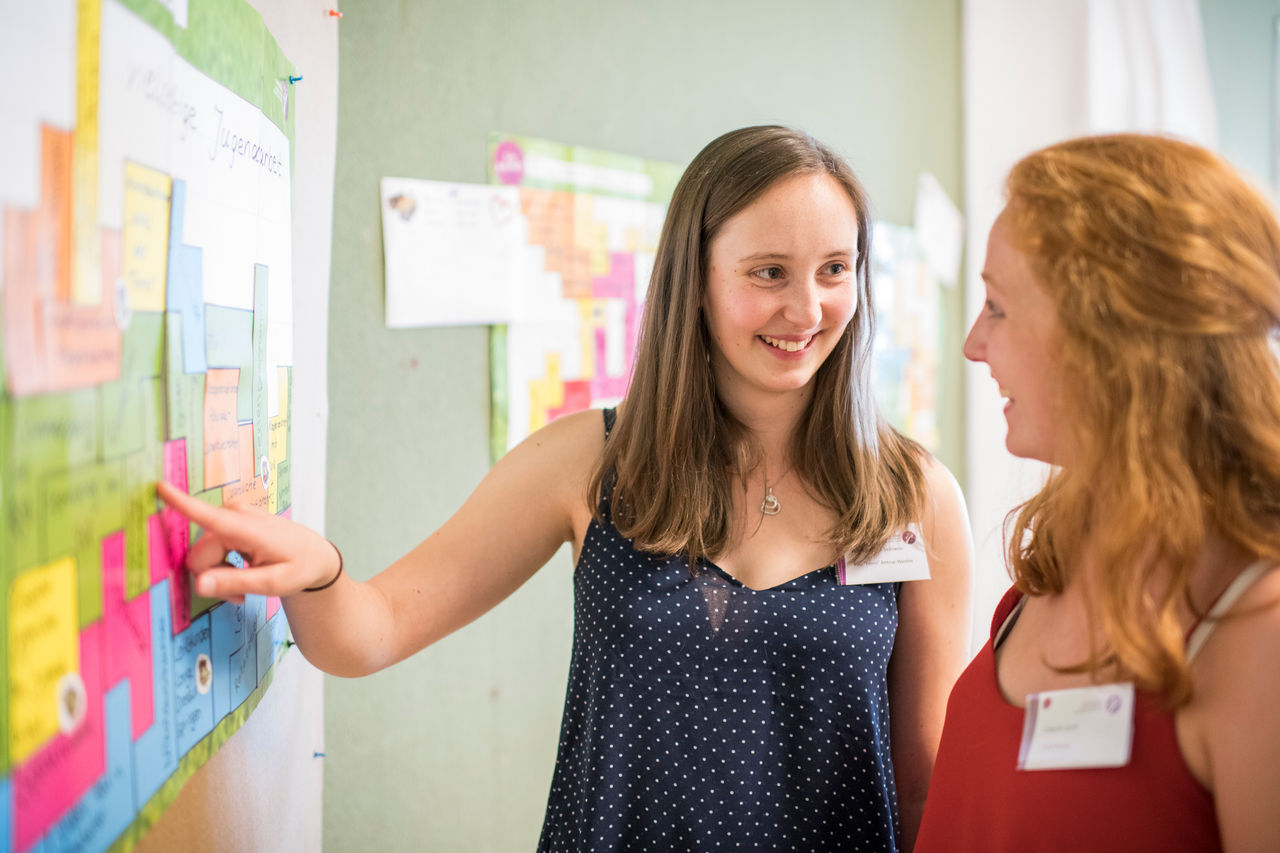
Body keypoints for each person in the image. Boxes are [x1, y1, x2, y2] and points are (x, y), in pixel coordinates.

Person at [158, 125, 973, 851]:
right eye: (769, 272)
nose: (807, 307)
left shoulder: (917, 496)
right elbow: (372, 628)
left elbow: (925, 786)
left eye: (836, 269)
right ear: (695, 278)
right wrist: (321, 569)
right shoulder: (591, 459)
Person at [915, 134, 1280, 851]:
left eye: (996, 306)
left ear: (1109, 337)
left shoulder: (1257, 629)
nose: (972, 344)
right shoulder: (1053, 558)